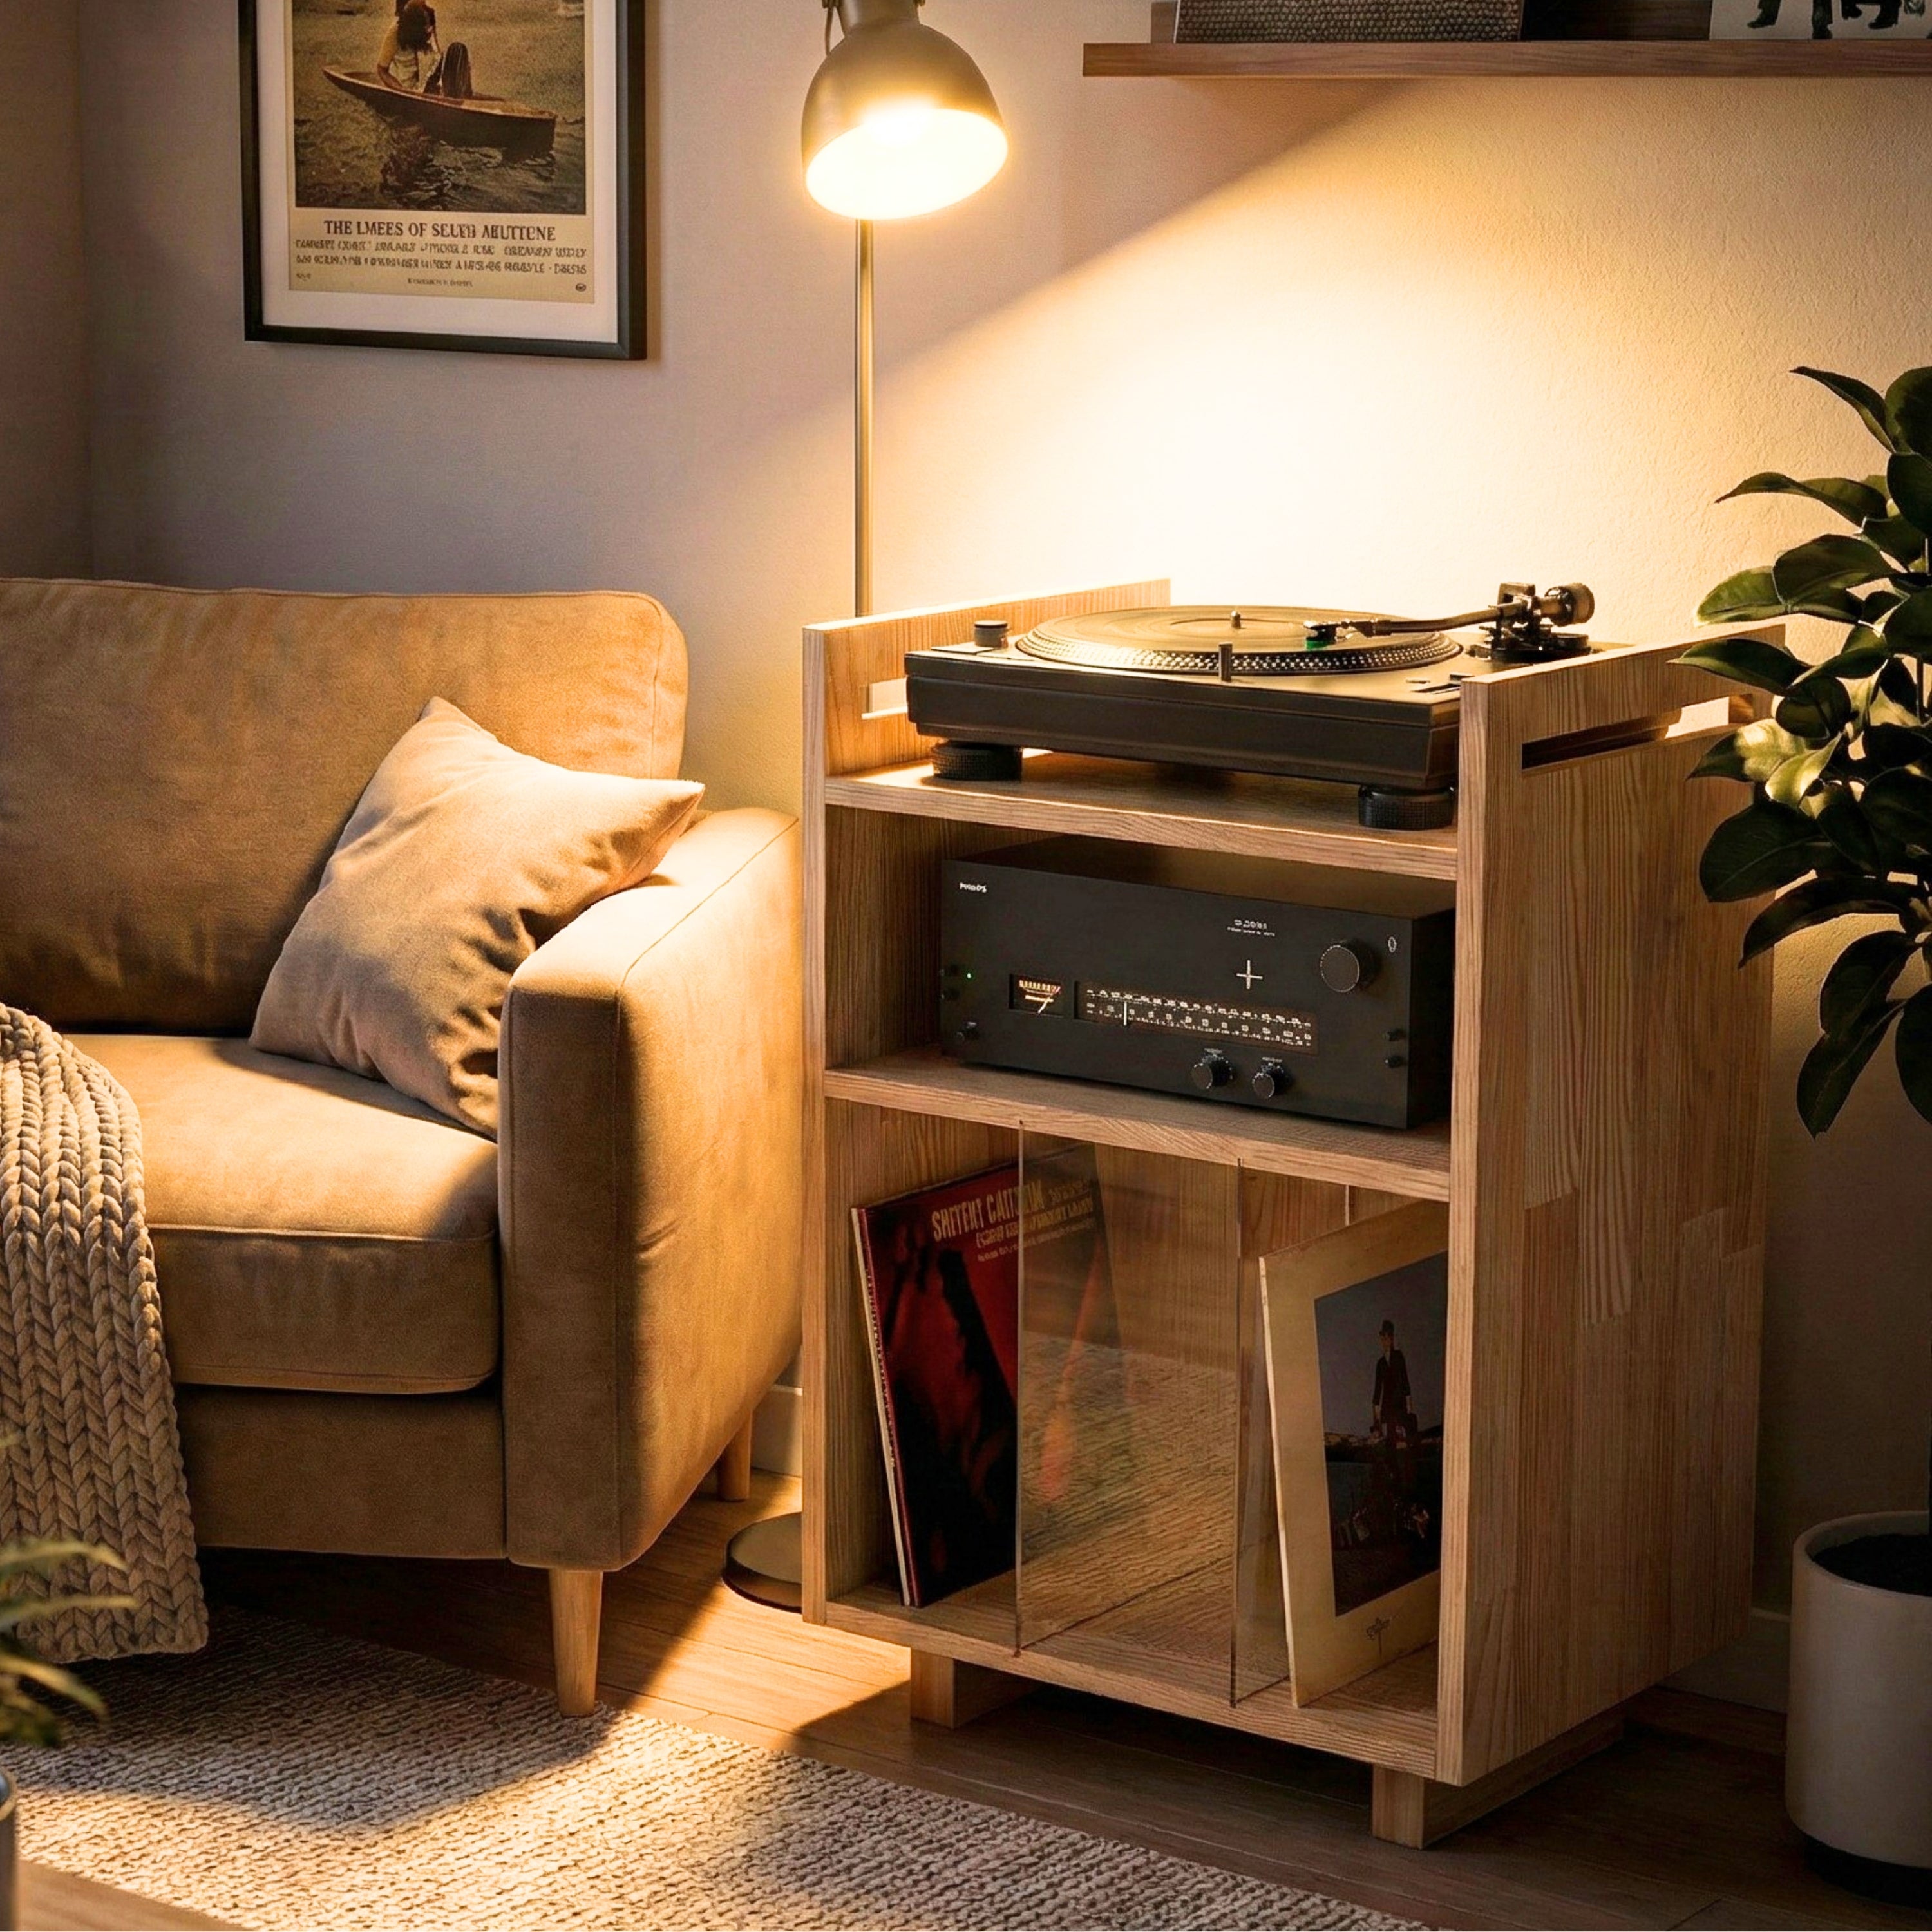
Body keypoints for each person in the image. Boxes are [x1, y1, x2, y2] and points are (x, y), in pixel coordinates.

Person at [377, 0, 440, 91]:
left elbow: (436, 54)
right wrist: (400, 90)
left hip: (429, 83)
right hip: (408, 89)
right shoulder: (395, 31)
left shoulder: (428, 19)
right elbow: (381, 70)